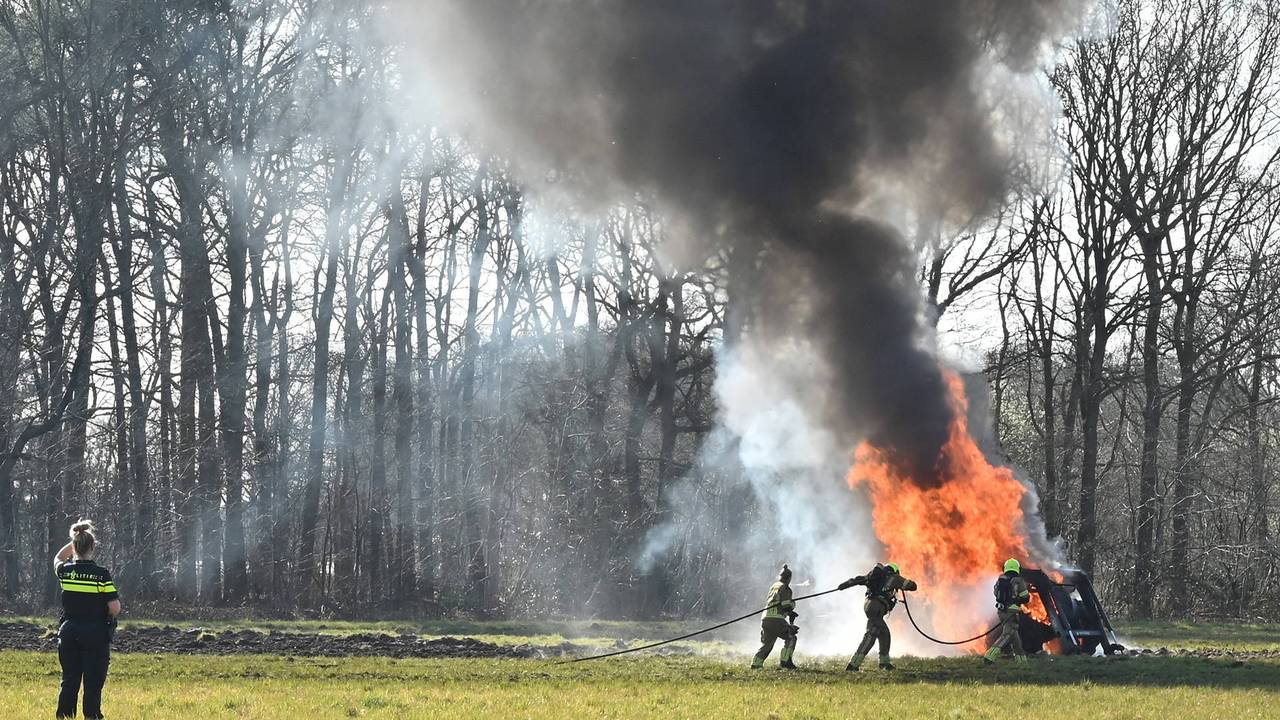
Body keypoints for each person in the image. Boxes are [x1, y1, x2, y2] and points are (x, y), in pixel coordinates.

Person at [53, 520, 121, 719]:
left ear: (74, 547)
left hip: (69, 631)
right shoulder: (101, 575)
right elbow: (115, 608)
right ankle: (92, 716)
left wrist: (74, 540)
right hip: (95, 633)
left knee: (70, 679)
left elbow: (58, 557)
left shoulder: (65, 572)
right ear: (93, 547)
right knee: (93, 681)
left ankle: (64, 716)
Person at [838, 562, 916, 671]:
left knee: (881, 633)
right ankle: (853, 665)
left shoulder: (874, 576)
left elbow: (858, 580)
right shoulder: (894, 577)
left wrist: (844, 585)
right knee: (872, 635)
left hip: (869, 606)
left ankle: (883, 663)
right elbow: (912, 586)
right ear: (895, 571)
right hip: (877, 607)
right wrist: (908, 584)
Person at [983, 558, 1031, 664]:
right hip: (1012, 612)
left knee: (1015, 638)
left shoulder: (1001, 580)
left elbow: (996, 593)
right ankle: (989, 656)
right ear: (1017, 569)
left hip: (1001, 611)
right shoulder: (1018, 581)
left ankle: (1022, 662)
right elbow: (1025, 598)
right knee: (1007, 634)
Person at [751, 564, 799, 669]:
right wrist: (793, 605)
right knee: (791, 637)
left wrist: (790, 613)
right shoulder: (786, 588)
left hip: (765, 618)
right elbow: (785, 605)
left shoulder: (774, 586)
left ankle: (756, 663)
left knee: (767, 644)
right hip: (777, 619)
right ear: (789, 578)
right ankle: (785, 661)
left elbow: (776, 602)